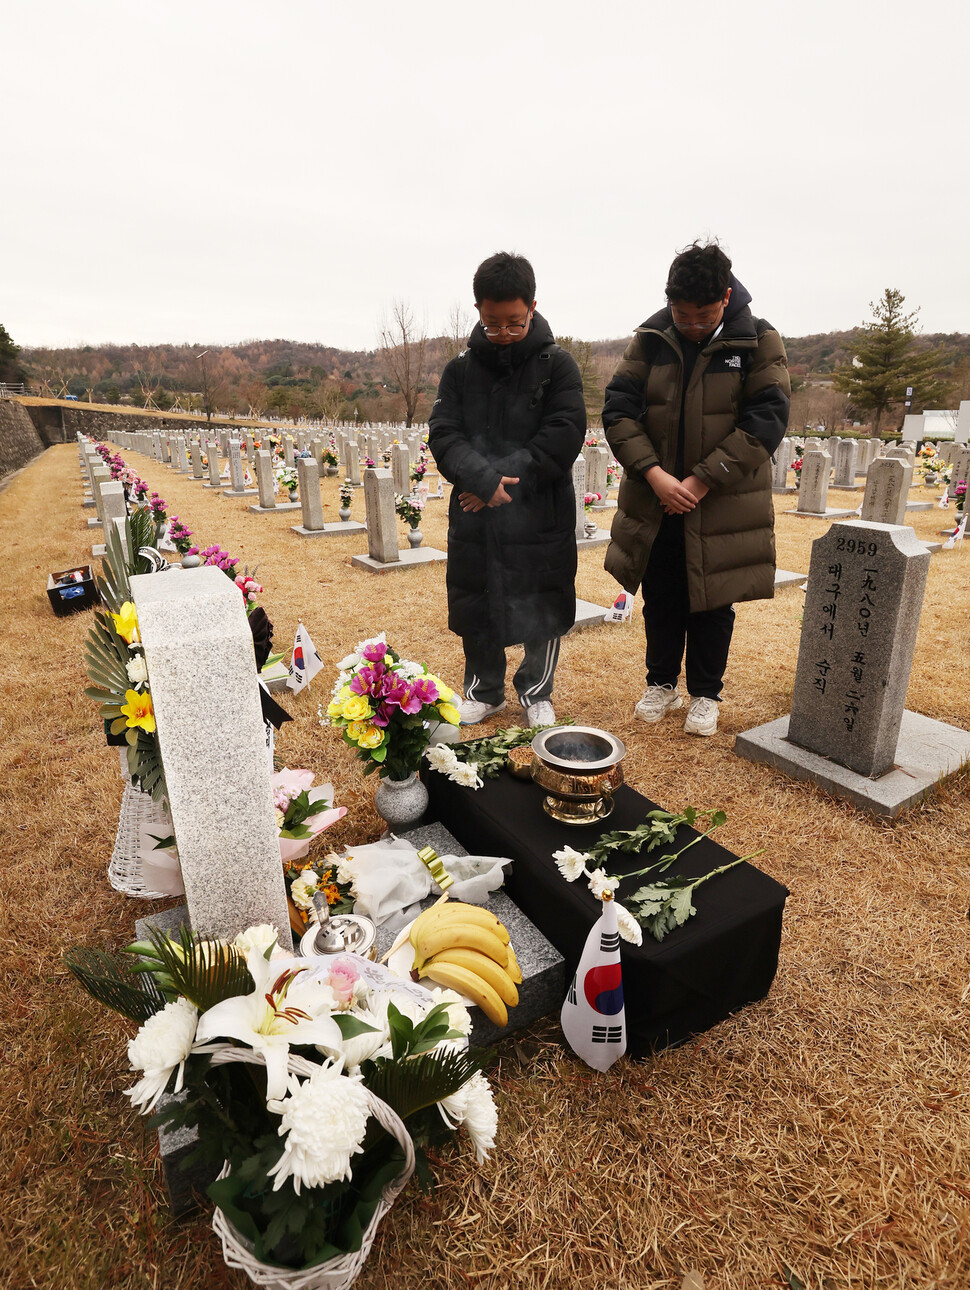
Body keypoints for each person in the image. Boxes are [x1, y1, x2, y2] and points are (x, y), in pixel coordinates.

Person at [602, 241, 790, 736]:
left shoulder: (758, 340)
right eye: (681, 314)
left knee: (711, 599)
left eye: (702, 315)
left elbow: (765, 421)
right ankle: (661, 682)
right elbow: (618, 411)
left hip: (722, 498)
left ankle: (706, 693)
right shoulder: (650, 339)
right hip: (657, 495)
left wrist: (703, 479)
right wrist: (656, 475)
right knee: (661, 592)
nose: (691, 325)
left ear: (726, 298)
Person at [428, 251, 586, 726]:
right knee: (477, 601)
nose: (503, 333)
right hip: (477, 511)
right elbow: (444, 433)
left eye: (514, 323)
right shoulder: (460, 370)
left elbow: (561, 435)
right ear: (478, 311)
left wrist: (500, 482)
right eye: (493, 323)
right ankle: (484, 689)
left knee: (543, 601)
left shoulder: (558, 366)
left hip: (539, 509)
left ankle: (536, 691)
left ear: (533, 307)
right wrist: (481, 480)